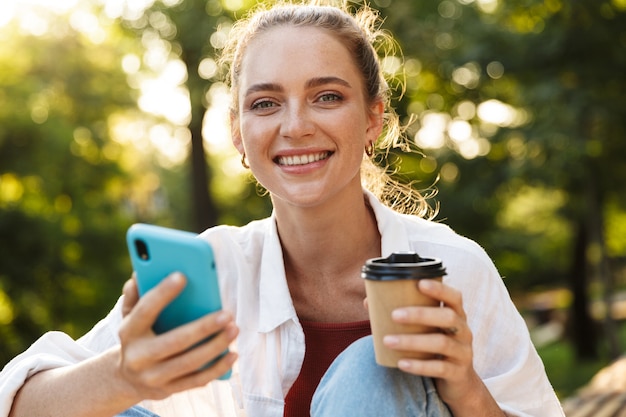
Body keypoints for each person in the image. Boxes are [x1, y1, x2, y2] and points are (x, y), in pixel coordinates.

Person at [0, 2, 565, 417]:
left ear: (373, 120)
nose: (294, 127)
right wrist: (123, 376)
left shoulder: (453, 267)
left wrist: (465, 388)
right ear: (240, 135)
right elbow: (16, 400)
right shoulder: (213, 267)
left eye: (326, 96)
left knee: (374, 369)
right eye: (266, 103)